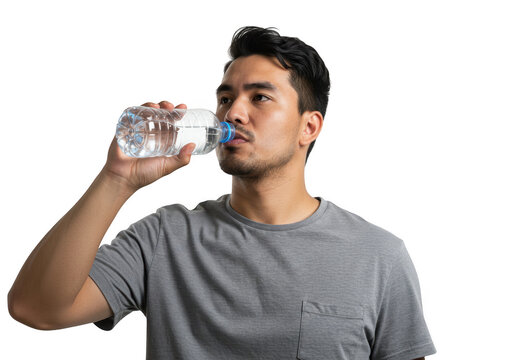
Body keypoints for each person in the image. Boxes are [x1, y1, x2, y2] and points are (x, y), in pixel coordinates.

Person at [8, 26, 436, 360]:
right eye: (226, 97)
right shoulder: (165, 239)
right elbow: (35, 308)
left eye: (260, 97)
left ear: (310, 126)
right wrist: (116, 180)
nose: (233, 112)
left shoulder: (378, 256)